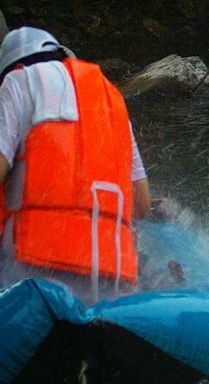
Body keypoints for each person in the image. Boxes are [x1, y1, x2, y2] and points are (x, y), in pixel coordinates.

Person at [0, 28, 152, 299]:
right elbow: (141, 205)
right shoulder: (111, 98)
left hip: (33, 271)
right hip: (113, 279)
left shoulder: (18, 81)